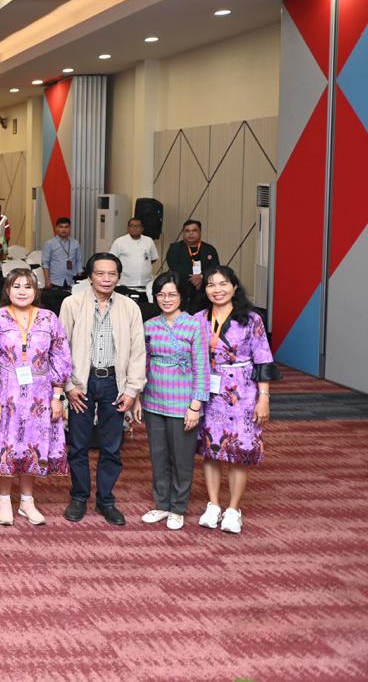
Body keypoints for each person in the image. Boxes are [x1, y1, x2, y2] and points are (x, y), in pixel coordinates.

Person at [0, 268, 73, 526]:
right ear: (7, 290)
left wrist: (57, 397)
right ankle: (4, 500)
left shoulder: (49, 318)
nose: (22, 291)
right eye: (16, 286)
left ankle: (27, 502)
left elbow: (60, 357)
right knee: (6, 447)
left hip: (40, 394)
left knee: (32, 446)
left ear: (36, 291)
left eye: (28, 286)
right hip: (6, 393)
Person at [58, 252, 147, 526]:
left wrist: (132, 390)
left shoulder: (130, 307)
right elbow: (60, 347)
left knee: (111, 446)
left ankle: (106, 500)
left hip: (114, 383)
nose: (106, 278)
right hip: (81, 383)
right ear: (89, 277)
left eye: (111, 274)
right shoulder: (72, 303)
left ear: (118, 277)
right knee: (78, 445)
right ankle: (79, 497)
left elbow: (138, 351)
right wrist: (68, 386)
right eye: (100, 273)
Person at [195, 265, 277, 535]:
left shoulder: (251, 319)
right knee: (211, 448)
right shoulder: (198, 319)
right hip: (210, 391)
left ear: (234, 287)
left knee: (239, 451)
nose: (217, 290)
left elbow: (263, 359)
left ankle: (233, 509)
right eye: (211, 284)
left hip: (243, 391)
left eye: (223, 284)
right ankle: (213, 505)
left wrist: (264, 397)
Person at [137, 271, 209, 531]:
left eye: (172, 294)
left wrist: (195, 405)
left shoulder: (194, 325)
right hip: (154, 401)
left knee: (182, 458)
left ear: (182, 296)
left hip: (183, 404)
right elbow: (142, 364)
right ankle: (161, 504)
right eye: (161, 294)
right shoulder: (149, 325)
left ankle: (178, 507)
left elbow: (202, 367)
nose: (166, 299)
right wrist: (138, 398)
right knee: (158, 456)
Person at [164, 220, 220, 313]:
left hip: (203, 291)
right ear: (183, 233)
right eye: (187, 231)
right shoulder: (175, 248)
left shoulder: (209, 249)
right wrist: (194, 279)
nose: (191, 234)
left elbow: (215, 268)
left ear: (200, 232)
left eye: (194, 230)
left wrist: (201, 277)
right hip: (181, 289)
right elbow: (173, 266)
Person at [111, 217, 159, 294]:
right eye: (132, 226)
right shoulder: (119, 242)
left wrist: (142, 266)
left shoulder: (149, 241)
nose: (135, 228)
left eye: (138, 226)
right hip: (125, 284)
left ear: (142, 229)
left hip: (145, 284)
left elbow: (153, 258)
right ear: (128, 228)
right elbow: (112, 260)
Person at [42, 217, 83, 289]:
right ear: (56, 228)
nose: (63, 230)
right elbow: (45, 263)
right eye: (61, 227)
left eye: (66, 227)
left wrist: (79, 278)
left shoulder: (75, 243)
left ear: (70, 228)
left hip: (71, 280)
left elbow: (78, 260)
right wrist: (47, 280)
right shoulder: (49, 244)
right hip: (55, 281)